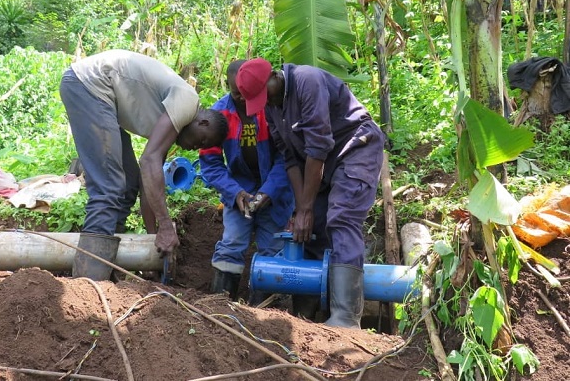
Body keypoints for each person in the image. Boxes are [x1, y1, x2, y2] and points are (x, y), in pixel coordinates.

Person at [235, 58, 385, 328]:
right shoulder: (272, 107)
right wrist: (302, 209)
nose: (265, 103)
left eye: (264, 95)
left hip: (355, 149)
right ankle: (308, 319)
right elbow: (290, 159)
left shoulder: (307, 81)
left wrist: (305, 207)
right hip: (324, 164)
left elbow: (317, 148)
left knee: (341, 216)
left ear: (274, 77)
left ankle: (346, 318)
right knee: (313, 227)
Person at [60, 49, 228, 281]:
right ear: (203, 121)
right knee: (109, 186)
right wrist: (167, 226)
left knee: (128, 183)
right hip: (88, 85)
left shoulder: (176, 123)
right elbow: (148, 160)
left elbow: (149, 179)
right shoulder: (187, 102)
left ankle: (106, 270)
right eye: (202, 141)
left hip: (104, 97)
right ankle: (89, 281)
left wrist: (153, 240)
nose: (196, 148)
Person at [199, 60, 294, 303]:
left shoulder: (270, 108)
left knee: (272, 250)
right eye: (235, 93)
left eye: (245, 94)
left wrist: (268, 192)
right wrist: (236, 193)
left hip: (275, 195)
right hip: (238, 192)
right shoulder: (218, 115)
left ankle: (263, 312)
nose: (242, 99)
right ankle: (218, 307)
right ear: (228, 87)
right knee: (231, 244)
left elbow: (287, 158)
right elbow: (210, 164)